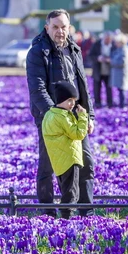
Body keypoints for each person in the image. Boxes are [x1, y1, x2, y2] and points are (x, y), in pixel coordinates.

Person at [26, 9, 96, 216]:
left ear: (69, 27)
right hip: (50, 119)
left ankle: (85, 211)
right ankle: (48, 212)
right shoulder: (37, 52)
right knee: (48, 166)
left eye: (63, 27)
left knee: (85, 163)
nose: (60, 31)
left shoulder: (74, 49)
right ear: (47, 27)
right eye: (55, 27)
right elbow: (37, 89)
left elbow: (83, 86)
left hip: (75, 118)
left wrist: (89, 116)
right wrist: (55, 115)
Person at [41, 80, 90, 218]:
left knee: (65, 189)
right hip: (70, 158)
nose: (73, 103)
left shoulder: (49, 115)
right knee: (71, 192)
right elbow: (78, 134)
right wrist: (82, 117)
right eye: (69, 100)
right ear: (61, 99)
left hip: (58, 160)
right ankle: (66, 218)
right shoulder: (63, 117)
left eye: (74, 100)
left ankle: (65, 216)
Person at [90, 31, 114, 108]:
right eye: (106, 39)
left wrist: (110, 60)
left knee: (109, 89)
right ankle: (97, 104)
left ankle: (110, 104)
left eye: (109, 39)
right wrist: (98, 58)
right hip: (98, 71)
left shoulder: (113, 46)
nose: (108, 41)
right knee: (97, 89)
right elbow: (90, 56)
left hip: (109, 71)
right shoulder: (96, 44)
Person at [110, 33, 128, 107]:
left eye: (117, 42)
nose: (116, 44)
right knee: (120, 90)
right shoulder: (120, 50)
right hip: (119, 74)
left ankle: (123, 106)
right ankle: (121, 105)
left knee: (123, 90)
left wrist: (111, 61)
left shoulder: (125, 51)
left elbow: (122, 62)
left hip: (122, 74)